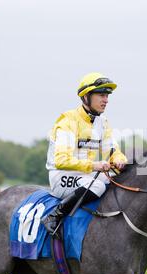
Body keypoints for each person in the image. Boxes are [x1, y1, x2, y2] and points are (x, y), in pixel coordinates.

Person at [41, 72, 127, 236]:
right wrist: (95, 165)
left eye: (107, 96)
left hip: (85, 174)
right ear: (86, 96)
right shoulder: (67, 122)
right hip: (61, 176)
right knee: (97, 185)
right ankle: (54, 216)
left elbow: (112, 150)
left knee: (116, 181)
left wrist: (120, 160)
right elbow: (61, 160)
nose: (106, 100)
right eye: (101, 95)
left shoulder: (102, 122)